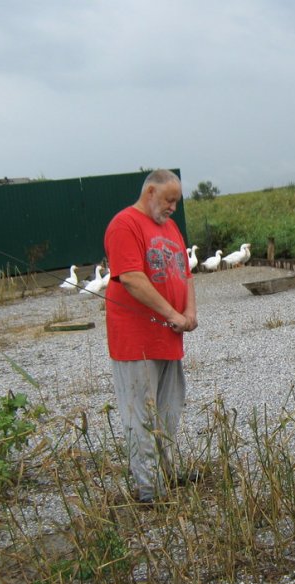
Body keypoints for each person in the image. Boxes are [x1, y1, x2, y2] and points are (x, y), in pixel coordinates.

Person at [104, 169, 198, 504]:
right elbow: (131, 278)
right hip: (136, 340)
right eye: (169, 199)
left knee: (169, 409)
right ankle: (148, 488)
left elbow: (185, 274)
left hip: (169, 338)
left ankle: (167, 472)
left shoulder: (170, 227)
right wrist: (171, 314)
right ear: (151, 192)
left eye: (177, 201)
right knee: (140, 413)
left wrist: (189, 313)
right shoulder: (124, 225)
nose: (173, 207)